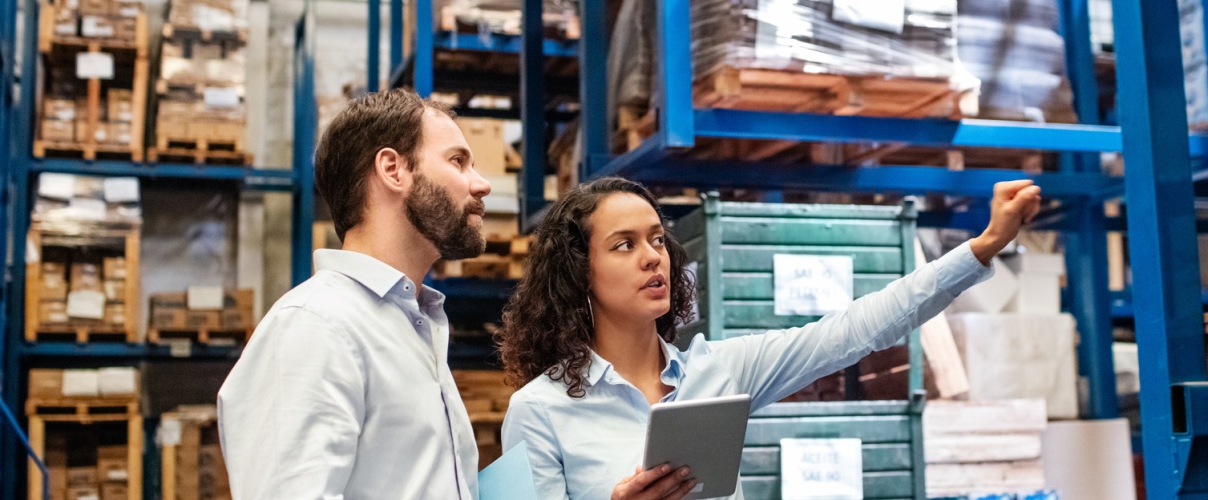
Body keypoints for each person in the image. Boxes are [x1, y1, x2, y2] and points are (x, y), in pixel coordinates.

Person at [498, 177, 1042, 499]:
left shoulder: (722, 371)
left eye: (657, 239)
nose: (652, 256)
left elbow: (856, 329)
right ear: (577, 272)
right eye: (623, 244)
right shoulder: (538, 410)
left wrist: (986, 246)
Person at [217, 89, 493, 498]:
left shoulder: (412, 324)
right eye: (458, 161)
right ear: (393, 169)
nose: (482, 184)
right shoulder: (315, 326)